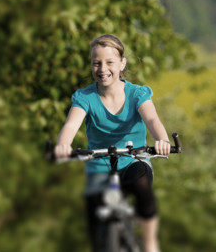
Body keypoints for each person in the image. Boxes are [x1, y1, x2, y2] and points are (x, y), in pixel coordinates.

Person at [53, 34, 173, 252]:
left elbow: (152, 119)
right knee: (96, 233)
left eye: (109, 62)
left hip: (133, 160)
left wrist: (161, 139)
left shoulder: (137, 93)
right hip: (100, 165)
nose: (102, 68)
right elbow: (71, 126)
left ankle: (149, 242)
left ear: (122, 64)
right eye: (96, 63)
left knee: (142, 186)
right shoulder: (85, 97)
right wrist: (63, 145)